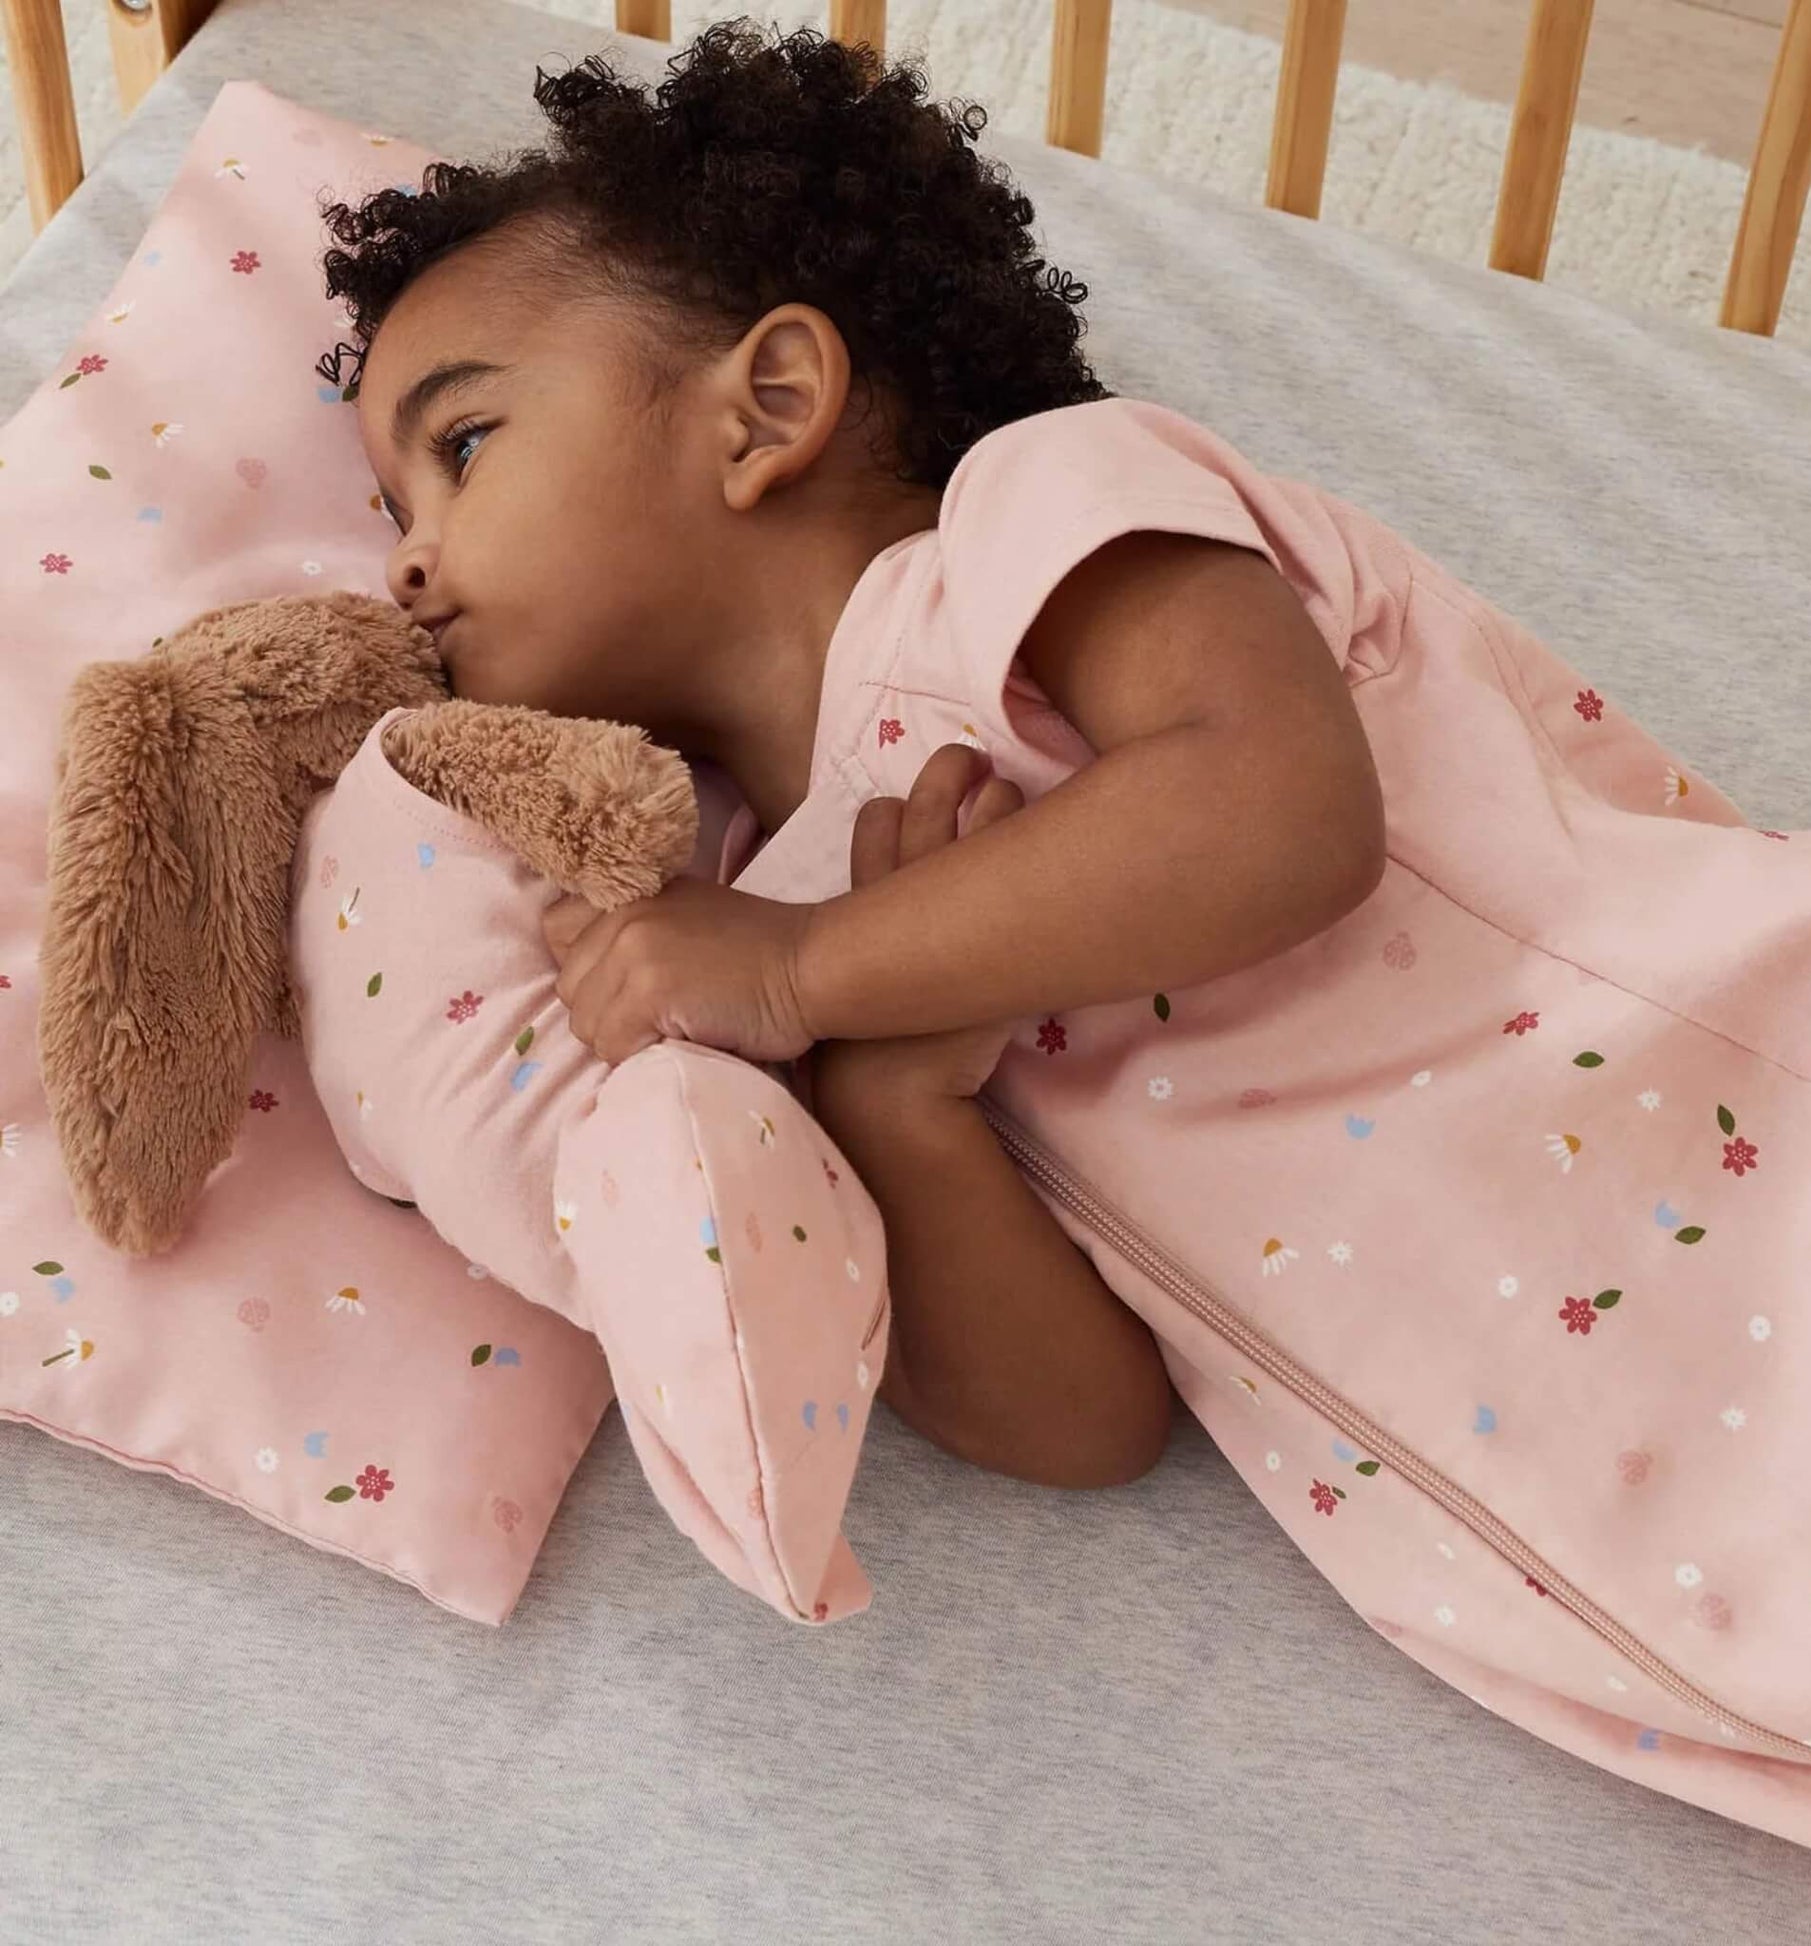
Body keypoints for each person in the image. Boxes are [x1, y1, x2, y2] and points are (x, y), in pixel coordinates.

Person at [321, 24, 1388, 1494]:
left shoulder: (1038, 508)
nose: (405, 567)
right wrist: (896, 1104)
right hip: (1579, 1549)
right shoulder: (757, 882)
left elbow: (1287, 806)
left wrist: (804, 969)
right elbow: (1084, 1429)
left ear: (765, 409)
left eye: (466, 445)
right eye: (389, 516)